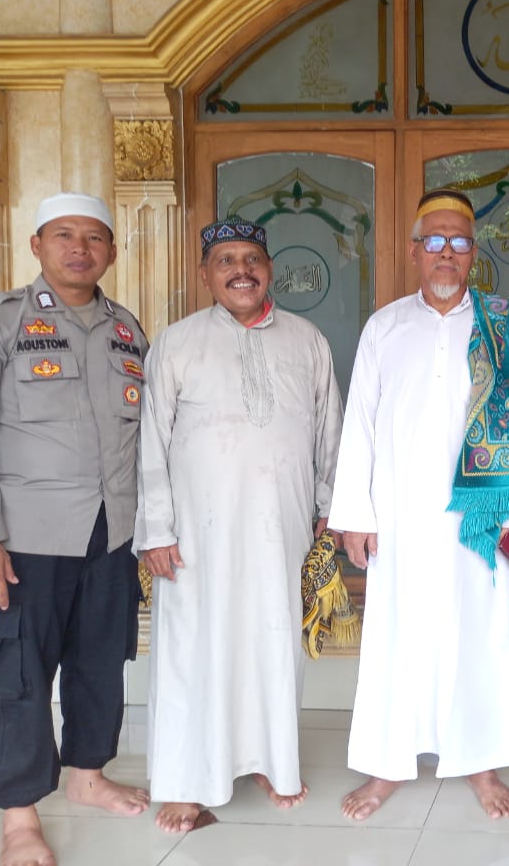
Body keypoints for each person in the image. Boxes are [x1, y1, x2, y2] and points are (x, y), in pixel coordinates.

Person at [0, 192, 150, 866]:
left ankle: (87, 776)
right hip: (23, 540)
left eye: (94, 237)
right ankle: (20, 815)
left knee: (100, 663)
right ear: (37, 245)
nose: (79, 248)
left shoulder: (126, 330)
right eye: (64, 235)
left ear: (112, 250)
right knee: (19, 675)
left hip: (110, 534)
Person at [331, 188, 509, 821]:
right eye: (434, 241)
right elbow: (359, 425)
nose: (445, 253)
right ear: (414, 251)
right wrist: (356, 516)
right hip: (399, 514)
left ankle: (479, 762)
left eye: (458, 242)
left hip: (481, 515)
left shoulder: (505, 327)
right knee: (396, 633)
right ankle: (387, 764)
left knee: (479, 631)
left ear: (473, 253)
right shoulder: (384, 327)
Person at [134, 215, 343, 833]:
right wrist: (157, 529)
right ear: (206, 275)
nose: (241, 271)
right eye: (226, 261)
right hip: (195, 537)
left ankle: (269, 762)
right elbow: (151, 443)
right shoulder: (177, 342)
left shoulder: (307, 340)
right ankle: (186, 782)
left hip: (282, 526)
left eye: (252, 259)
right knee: (193, 649)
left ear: (269, 269)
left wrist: (331, 509)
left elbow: (330, 432)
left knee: (272, 643)